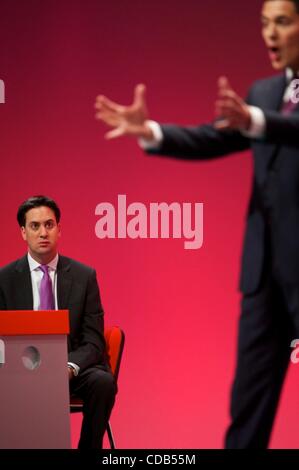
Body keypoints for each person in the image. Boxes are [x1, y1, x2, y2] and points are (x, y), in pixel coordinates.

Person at [95, 0, 299, 448]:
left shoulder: (263, 110)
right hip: (264, 276)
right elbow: (214, 137)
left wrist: (258, 122)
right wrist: (150, 130)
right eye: (264, 23)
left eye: (282, 22)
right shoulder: (264, 92)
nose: (270, 34)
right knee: (246, 413)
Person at [0, 195, 116, 449]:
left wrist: (68, 367)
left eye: (49, 225)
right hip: (18, 371)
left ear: (59, 229)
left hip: (71, 370)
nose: (43, 232)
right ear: (23, 232)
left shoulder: (84, 276)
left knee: (104, 383)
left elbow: (94, 341)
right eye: (35, 226)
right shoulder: (4, 279)